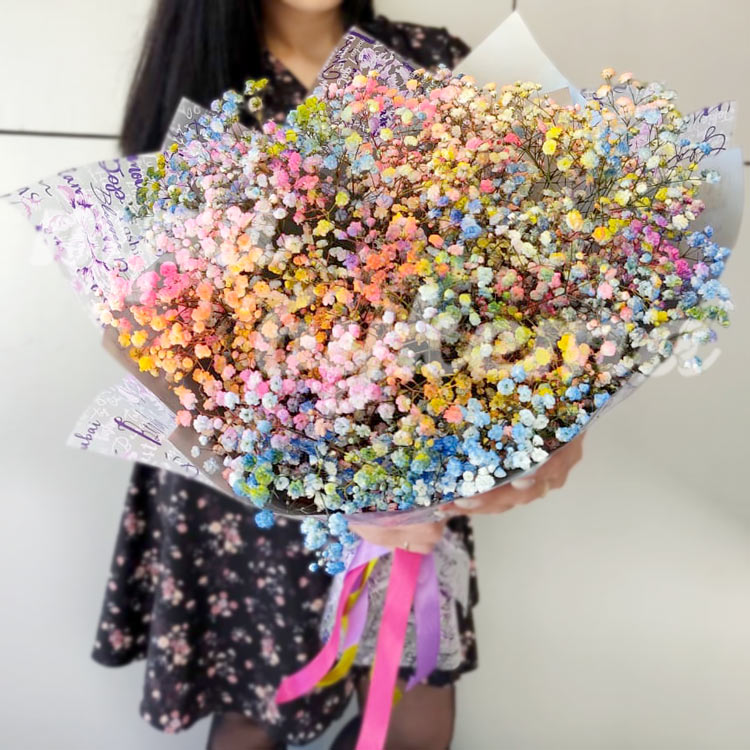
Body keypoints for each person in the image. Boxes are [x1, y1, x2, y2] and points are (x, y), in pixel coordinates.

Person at [92, 2, 584, 749]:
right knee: (254, 717)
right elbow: (142, 326)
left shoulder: (431, 59)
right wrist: (307, 485)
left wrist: (554, 416)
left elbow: (519, 279)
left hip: (418, 466)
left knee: (415, 707)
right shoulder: (200, 82)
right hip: (246, 482)